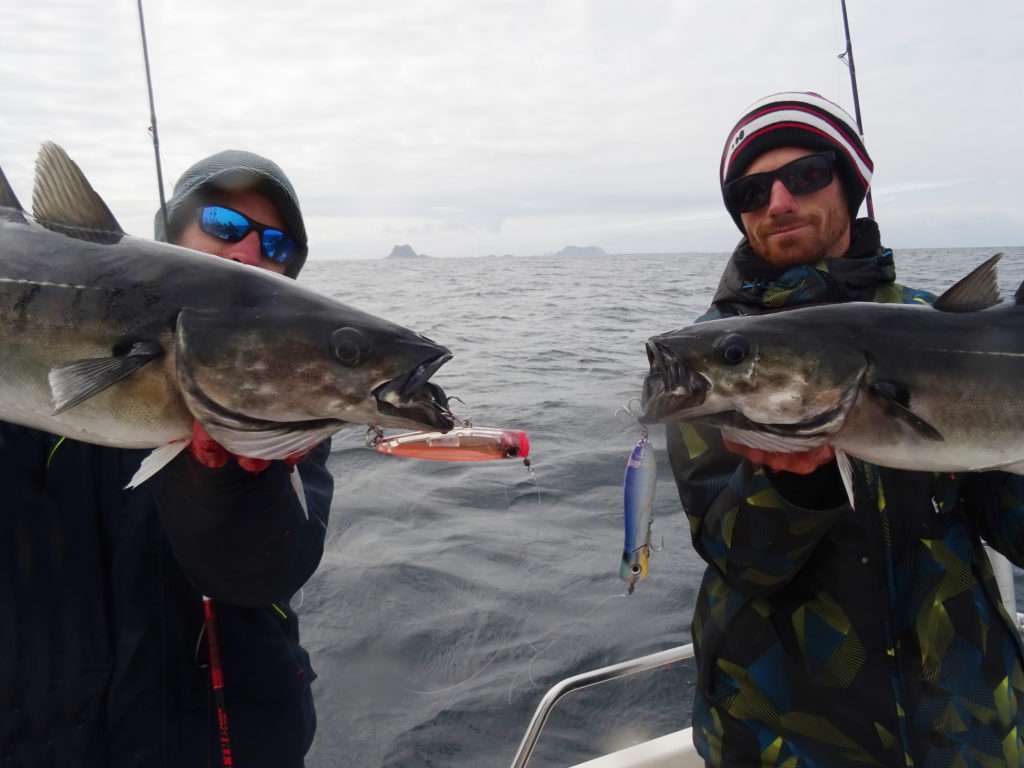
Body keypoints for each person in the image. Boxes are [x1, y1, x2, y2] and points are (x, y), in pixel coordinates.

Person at [668, 92, 1024, 766]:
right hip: (783, 735)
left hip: (967, 721)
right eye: (750, 191)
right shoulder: (716, 365)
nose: (777, 202)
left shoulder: (953, 330)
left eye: (805, 176)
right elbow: (738, 558)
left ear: (852, 182)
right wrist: (794, 489)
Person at [2, 150, 333, 767]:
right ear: (168, 235)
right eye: (224, 226)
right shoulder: (28, 392)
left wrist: (229, 478)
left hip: (232, 744)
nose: (247, 253)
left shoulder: (293, 417)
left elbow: (262, 571)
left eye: (277, 246)